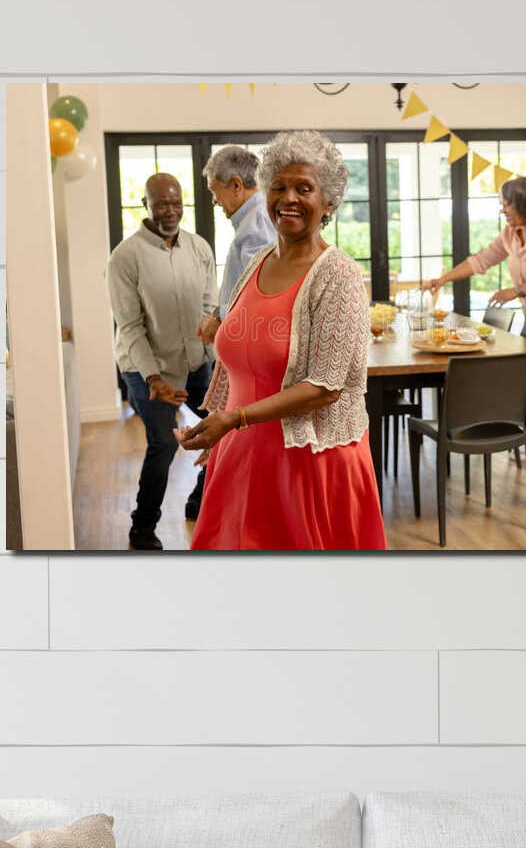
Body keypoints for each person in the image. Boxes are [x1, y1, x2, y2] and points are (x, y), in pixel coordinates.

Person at [178, 130, 385, 552]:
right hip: (240, 456)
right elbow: (238, 359)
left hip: (309, 463)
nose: (288, 198)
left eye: (303, 188)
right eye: (279, 187)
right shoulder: (256, 263)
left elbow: (324, 388)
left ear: (328, 203)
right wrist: (217, 426)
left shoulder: (338, 275)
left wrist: (234, 421)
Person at [423, 176, 526, 459]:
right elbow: (481, 259)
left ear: (524, 203)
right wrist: (442, 279)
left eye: (506, 205)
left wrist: (517, 290)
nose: (503, 210)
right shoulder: (511, 233)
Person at [109, 171, 216, 550]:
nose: (170, 211)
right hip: (144, 368)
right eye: (162, 204)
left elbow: (209, 309)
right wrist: (155, 379)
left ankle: (200, 498)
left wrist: (216, 362)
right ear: (146, 205)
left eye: (176, 203)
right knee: (163, 444)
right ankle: (142, 528)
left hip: (194, 360)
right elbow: (131, 326)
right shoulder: (125, 257)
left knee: (223, 429)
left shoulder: (199, 248)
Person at [197, 145, 277, 347]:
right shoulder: (253, 219)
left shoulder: (257, 221)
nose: (215, 200)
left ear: (235, 185)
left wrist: (218, 317)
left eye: (215, 191)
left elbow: (260, 294)